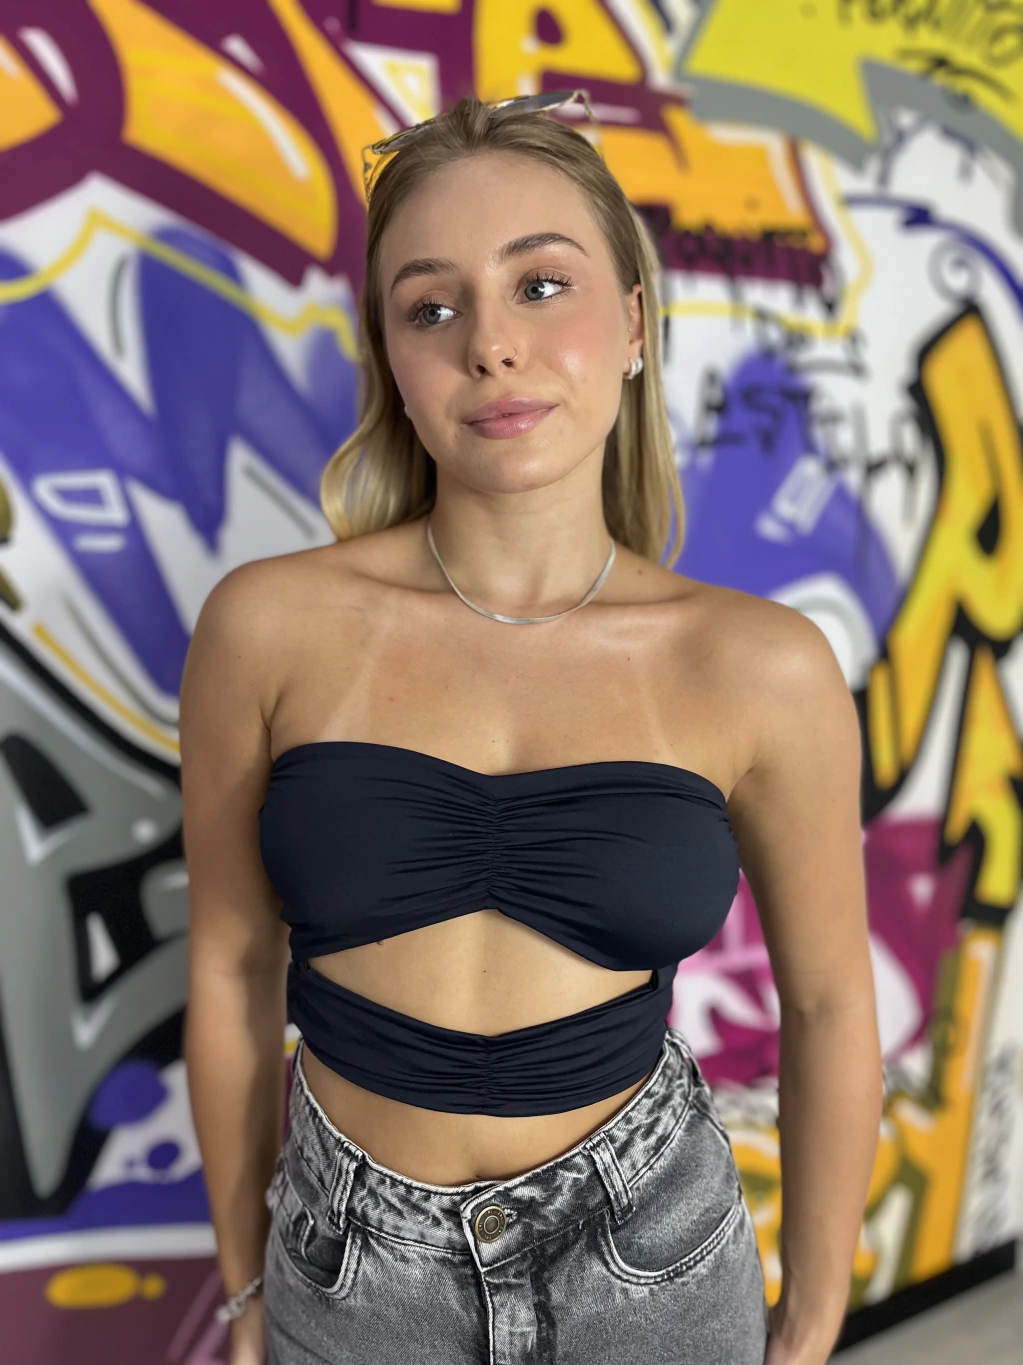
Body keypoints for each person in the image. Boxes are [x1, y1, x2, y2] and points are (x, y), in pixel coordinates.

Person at [180, 91, 883, 1365]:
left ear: (635, 325)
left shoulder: (759, 665)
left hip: (655, 1265)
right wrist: (242, 1290)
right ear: (392, 359)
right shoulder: (267, 627)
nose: (491, 346)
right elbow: (231, 970)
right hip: (347, 1277)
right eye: (431, 308)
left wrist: (814, 1316)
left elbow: (831, 999)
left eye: (541, 286)